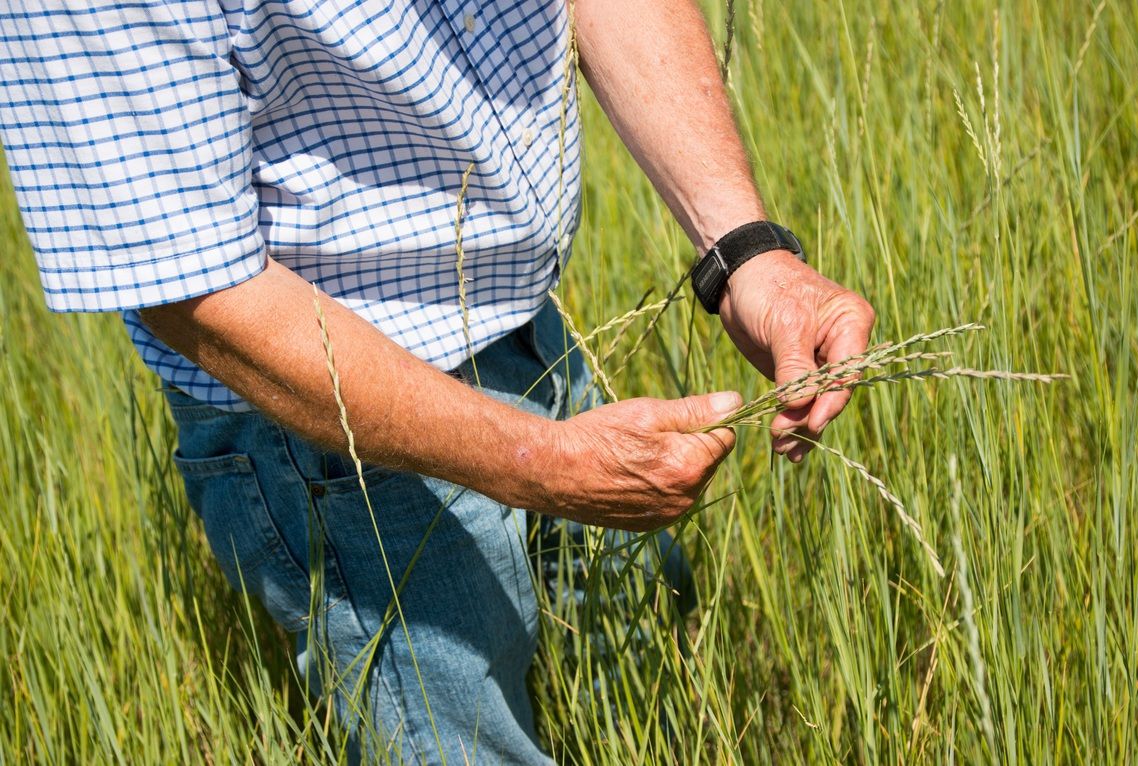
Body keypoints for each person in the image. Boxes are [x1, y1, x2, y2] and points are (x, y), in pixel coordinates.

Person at [0, 0, 874, 762]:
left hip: (531, 330)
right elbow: (192, 285)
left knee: (645, 682)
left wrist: (745, 254)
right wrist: (544, 461)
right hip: (331, 438)